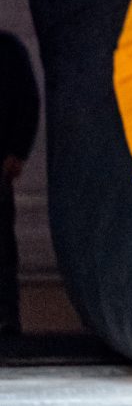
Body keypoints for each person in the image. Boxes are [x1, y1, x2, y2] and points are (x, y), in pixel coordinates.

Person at [0, 31, 40, 337]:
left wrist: (17, 150)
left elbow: (28, 100)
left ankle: (6, 318)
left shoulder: (8, 50)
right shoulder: (9, 49)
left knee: (2, 245)